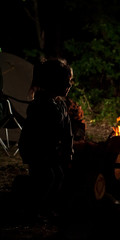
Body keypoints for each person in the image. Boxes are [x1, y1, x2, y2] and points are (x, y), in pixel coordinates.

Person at [18, 58, 74, 216]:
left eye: (70, 81)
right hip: (37, 152)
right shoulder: (39, 106)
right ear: (53, 82)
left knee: (58, 176)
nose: (69, 85)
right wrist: (45, 154)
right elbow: (34, 134)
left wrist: (68, 152)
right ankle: (35, 209)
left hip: (52, 152)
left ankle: (48, 208)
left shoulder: (61, 106)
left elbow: (67, 132)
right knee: (45, 178)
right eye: (66, 81)